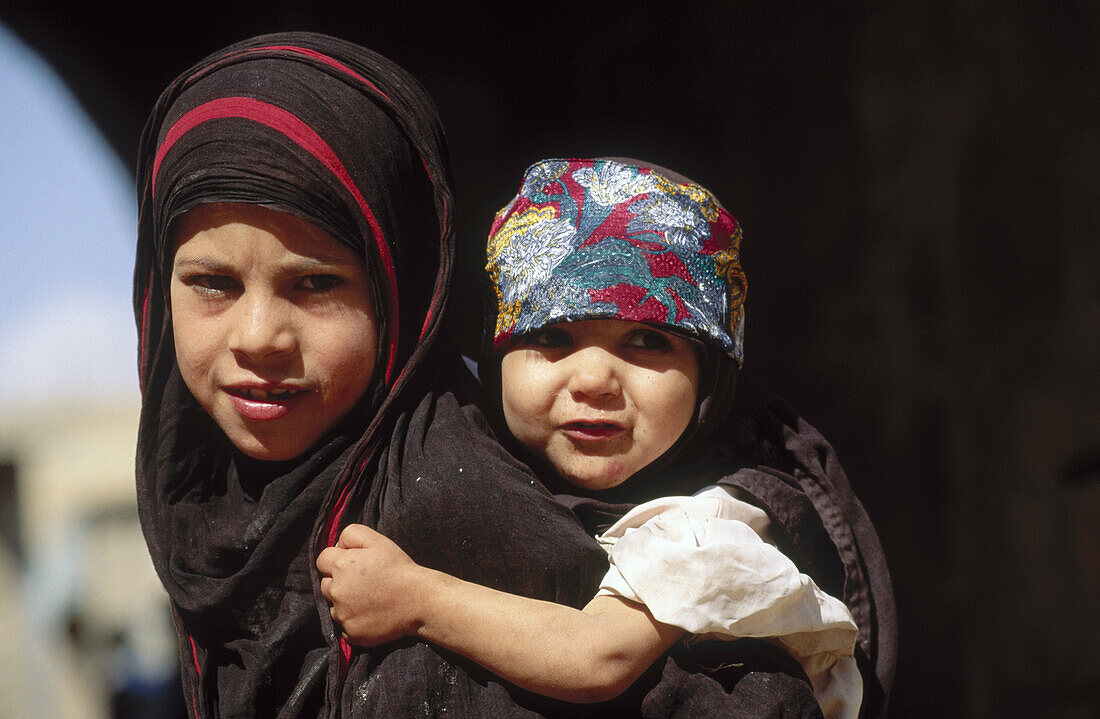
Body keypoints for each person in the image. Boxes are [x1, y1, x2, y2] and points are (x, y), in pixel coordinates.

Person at [136, 36, 842, 719]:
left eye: (317, 282)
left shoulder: (469, 506)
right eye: (212, 283)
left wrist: (421, 597)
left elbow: (597, 657)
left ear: (404, 285)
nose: (259, 337)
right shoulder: (211, 500)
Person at [318, 158, 898, 718]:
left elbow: (595, 657)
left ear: (711, 377)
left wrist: (416, 600)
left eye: (647, 341)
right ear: (495, 356)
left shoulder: (710, 523)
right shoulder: (448, 436)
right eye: (552, 335)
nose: (594, 380)